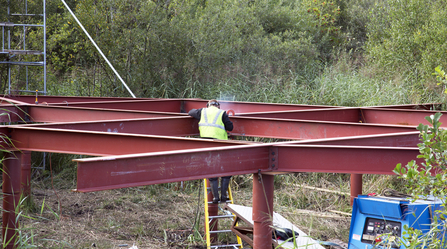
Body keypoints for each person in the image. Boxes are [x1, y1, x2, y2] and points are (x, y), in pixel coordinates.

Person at [188, 99, 233, 204]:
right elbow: (230, 127)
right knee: (226, 170)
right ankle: (223, 196)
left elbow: (190, 112)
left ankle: (215, 197)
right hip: (221, 144)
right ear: (218, 106)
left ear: (208, 105)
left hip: (206, 145)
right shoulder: (222, 113)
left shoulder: (202, 111)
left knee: (211, 169)